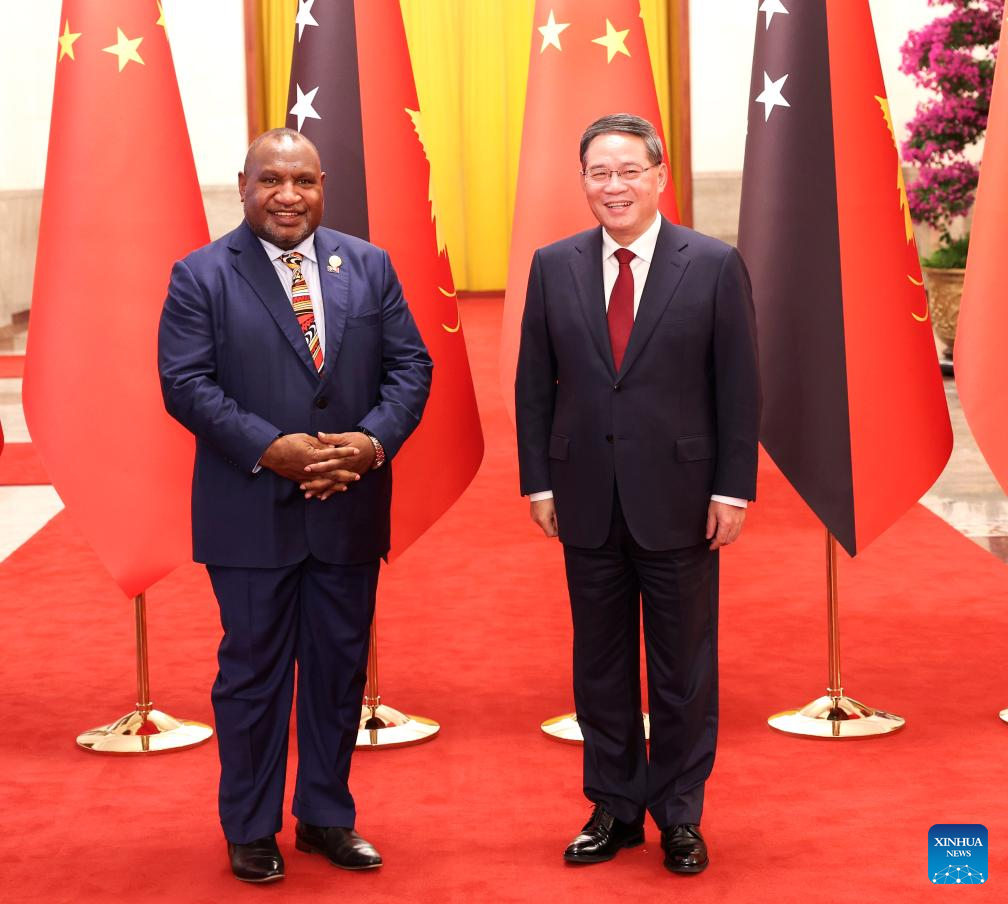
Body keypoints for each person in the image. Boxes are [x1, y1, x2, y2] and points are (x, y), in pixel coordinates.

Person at [158, 128, 432, 883]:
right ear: (242, 184)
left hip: (347, 505)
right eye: (271, 180)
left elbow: (411, 365)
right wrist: (274, 448)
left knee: (340, 670)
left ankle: (325, 817)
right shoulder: (201, 275)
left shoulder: (368, 266)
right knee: (252, 676)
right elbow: (186, 383)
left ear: (323, 185)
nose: (288, 195)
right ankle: (249, 825)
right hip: (249, 512)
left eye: (303, 181)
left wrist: (368, 445)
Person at [515, 113, 760, 874]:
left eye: (628, 171)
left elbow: (739, 389)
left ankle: (679, 815)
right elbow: (533, 387)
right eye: (599, 172)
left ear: (659, 178)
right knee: (601, 664)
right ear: (582, 180)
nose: (613, 186)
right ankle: (615, 807)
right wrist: (539, 479)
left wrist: (733, 490)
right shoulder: (553, 265)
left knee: (683, 669)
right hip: (584, 493)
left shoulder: (714, 265)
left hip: (684, 499)